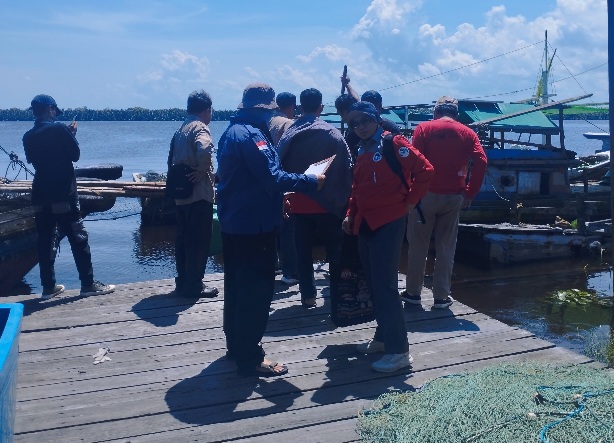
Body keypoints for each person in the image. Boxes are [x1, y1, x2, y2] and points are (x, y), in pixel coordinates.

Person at [216, 82, 325, 377]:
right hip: (254, 226)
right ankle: (251, 358)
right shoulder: (252, 136)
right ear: (265, 110)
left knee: (237, 288)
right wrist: (309, 180)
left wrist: (278, 199)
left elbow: (250, 180)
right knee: (257, 291)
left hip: (234, 223)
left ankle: (236, 347)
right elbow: (272, 177)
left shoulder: (230, 132)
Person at [342, 101, 433, 373]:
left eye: (364, 122)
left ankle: (399, 352)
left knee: (386, 287)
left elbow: (425, 170)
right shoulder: (360, 149)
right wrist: (350, 214)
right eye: (354, 123)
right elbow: (357, 188)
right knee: (374, 284)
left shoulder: (393, 143)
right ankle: (383, 339)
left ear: (376, 119)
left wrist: (410, 202)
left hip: (389, 223)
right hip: (365, 224)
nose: (359, 127)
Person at [23, 94, 115, 300]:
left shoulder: (27, 136)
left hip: (39, 195)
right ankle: (88, 284)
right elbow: (75, 155)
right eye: (55, 110)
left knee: (45, 240)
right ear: (49, 109)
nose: (56, 114)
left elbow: (33, 160)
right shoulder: (59, 129)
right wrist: (71, 134)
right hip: (62, 193)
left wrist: (65, 134)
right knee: (78, 237)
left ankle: (48, 288)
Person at [401, 96, 487, 309]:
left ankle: (413, 293)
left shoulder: (423, 129)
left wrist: (410, 192)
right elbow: (482, 161)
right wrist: (470, 193)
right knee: (446, 248)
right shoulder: (468, 133)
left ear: (435, 112)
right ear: (456, 114)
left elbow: (414, 160)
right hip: (454, 197)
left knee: (418, 246)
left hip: (424, 196)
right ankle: (441, 297)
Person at [277, 88, 353, 307]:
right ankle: (340, 293)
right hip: (328, 204)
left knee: (302, 251)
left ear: (300, 107)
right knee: (335, 251)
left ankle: (308, 295)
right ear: (321, 107)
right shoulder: (332, 133)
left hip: (298, 202)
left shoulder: (290, 133)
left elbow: (276, 166)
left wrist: (282, 196)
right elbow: (347, 167)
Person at [170, 90, 218, 298]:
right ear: (207, 110)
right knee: (198, 241)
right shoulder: (200, 127)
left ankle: (182, 281)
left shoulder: (181, 129)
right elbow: (206, 149)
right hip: (198, 194)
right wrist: (202, 170)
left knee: (182, 240)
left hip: (181, 194)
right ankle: (195, 285)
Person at [268, 92, 299, 285]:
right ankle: (290, 272)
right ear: (291, 107)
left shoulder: (266, 122)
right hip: (285, 179)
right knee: (289, 227)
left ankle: (270, 266)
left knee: (270, 226)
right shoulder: (289, 124)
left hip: (266, 179)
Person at [334, 93, 359, 160]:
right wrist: (347, 85)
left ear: (344, 111)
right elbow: (357, 100)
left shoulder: (356, 129)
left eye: (340, 114)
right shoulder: (354, 126)